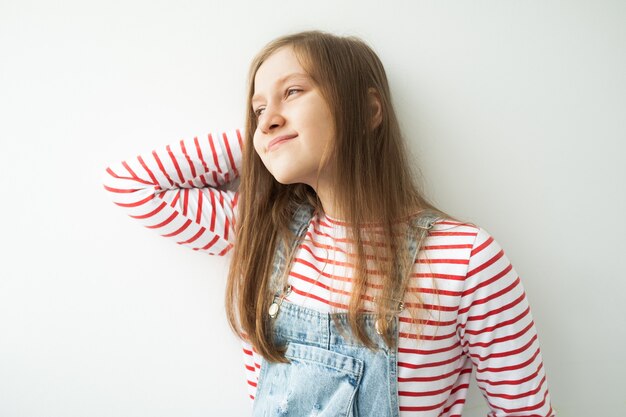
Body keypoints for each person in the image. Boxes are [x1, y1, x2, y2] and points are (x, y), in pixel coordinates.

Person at [102, 30, 555, 416]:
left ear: (368, 112)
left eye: (293, 92)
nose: (269, 118)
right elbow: (131, 184)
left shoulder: (466, 259)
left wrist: (274, 129)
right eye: (259, 108)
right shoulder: (262, 232)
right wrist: (264, 138)